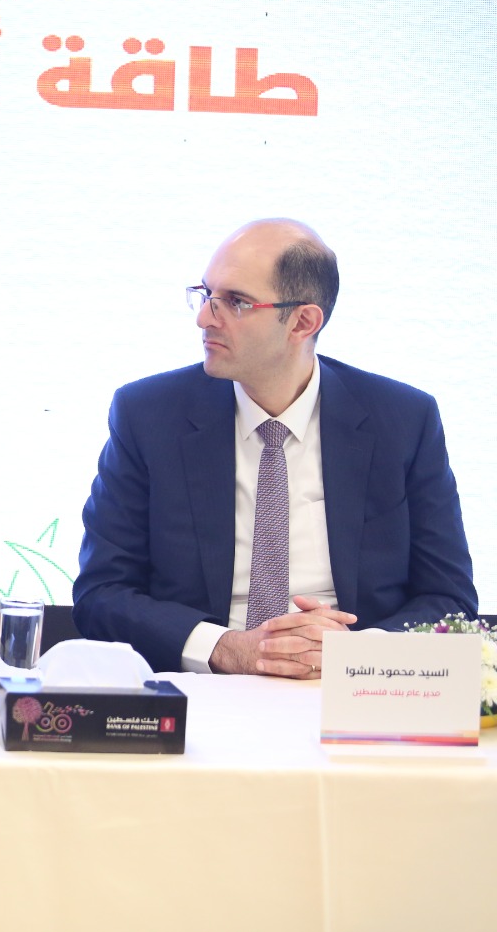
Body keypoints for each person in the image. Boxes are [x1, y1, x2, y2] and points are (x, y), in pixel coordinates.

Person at [73, 218, 477, 676]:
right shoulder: (148, 415)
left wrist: (355, 657)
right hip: (205, 687)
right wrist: (227, 648)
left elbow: (450, 600)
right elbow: (101, 595)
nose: (204, 318)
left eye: (235, 302)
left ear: (303, 322)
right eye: (205, 294)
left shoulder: (402, 420)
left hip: (355, 691)